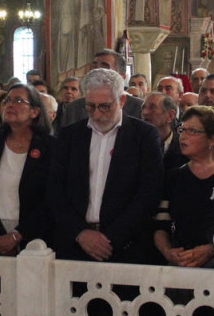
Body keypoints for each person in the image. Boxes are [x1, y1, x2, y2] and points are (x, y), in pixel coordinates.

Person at [48, 68, 163, 263]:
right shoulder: (70, 136)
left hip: (126, 245)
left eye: (105, 107)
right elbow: (55, 189)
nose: (97, 114)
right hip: (75, 243)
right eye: (90, 106)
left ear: (122, 101)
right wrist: (81, 233)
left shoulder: (144, 136)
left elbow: (149, 192)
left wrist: (110, 239)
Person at [153, 105, 214, 267]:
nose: (183, 137)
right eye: (182, 130)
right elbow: (161, 223)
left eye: (192, 131)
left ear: (212, 139)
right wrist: (167, 251)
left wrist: (213, 249)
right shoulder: (174, 177)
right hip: (181, 264)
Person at [0, 83, 53, 255]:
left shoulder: (50, 147)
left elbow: (50, 199)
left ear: (34, 112)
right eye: (7, 101)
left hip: (35, 239)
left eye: (18, 100)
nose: (9, 105)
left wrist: (18, 235)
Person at [57, 49, 143, 126]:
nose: (96, 72)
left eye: (104, 67)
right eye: (94, 67)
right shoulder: (74, 108)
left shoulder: (138, 107)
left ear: (121, 76)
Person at [142, 92, 186, 170]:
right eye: (143, 107)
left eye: (152, 107)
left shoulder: (183, 147)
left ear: (170, 116)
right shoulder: (134, 144)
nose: (145, 112)